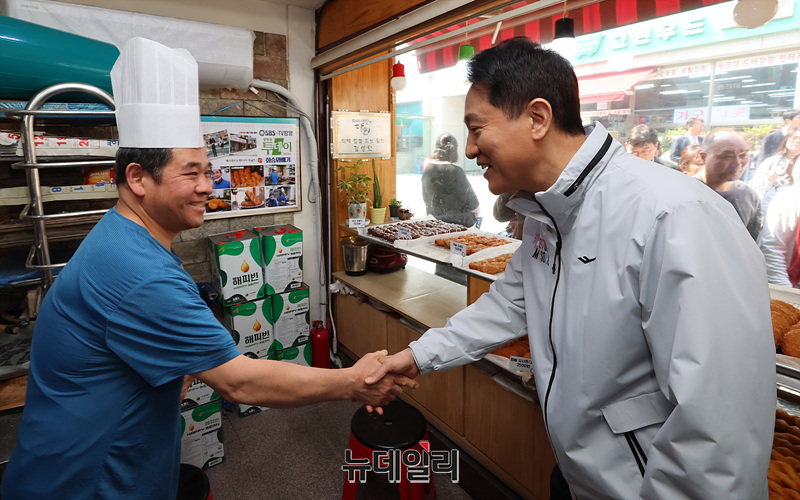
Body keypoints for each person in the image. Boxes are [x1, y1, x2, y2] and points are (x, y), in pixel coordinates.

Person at [0, 38, 414, 500]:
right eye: (191, 172)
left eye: (208, 170)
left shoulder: (122, 238)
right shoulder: (141, 274)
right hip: (88, 481)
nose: (208, 186)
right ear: (137, 178)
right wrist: (354, 381)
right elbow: (239, 381)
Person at [366, 37, 774, 500]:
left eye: (477, 129)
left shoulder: (674, 214)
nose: (470, 148)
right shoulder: (547, 214)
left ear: (538, 118)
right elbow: (509, 303)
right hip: (578, 474)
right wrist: (416, 355)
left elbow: (719, 423)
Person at [696, 130, 762, 241]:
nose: (737, 162)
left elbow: (751, 244)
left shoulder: (748, 195)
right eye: (728, 156)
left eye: (743, 155)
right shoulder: (683, 191)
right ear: (703, 157)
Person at [421, 133, 480, 228]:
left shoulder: (428, 171)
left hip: (434, 224)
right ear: (454, 150)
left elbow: (426, 199)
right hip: (459, 226)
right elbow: (473, 204)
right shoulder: (455, 171)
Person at [750, 127, 800, 218]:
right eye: (794, 138)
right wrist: (769, 180)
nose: (797, 141)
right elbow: (755, 185)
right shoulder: (772, 162)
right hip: (770, 208)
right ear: (786, 140)